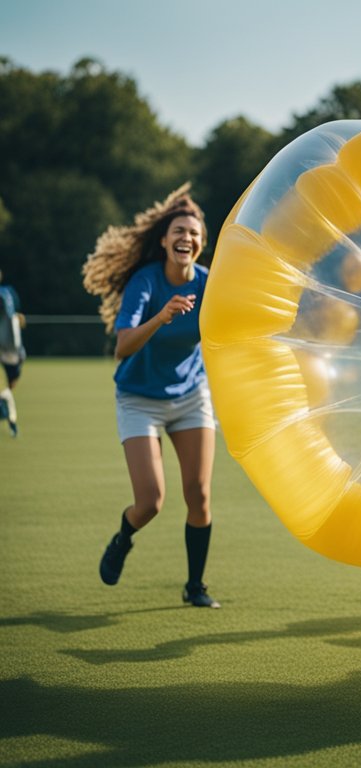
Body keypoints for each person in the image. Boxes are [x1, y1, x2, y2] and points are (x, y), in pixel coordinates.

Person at [82, 185, 220, 608]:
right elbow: (122, 346)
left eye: (194, 233)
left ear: (201, 243)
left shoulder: (210, 283)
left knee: (198, 495)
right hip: (139, 398)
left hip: (191, 396)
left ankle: (194, 587)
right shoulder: (145, 282)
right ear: (164, 240)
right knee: (151, 502)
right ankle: (123, 538)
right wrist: (161, 316)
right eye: (179, 231)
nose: (187, 238)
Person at [0, 268, 25, 437]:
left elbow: (16, 317)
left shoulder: (6, 293)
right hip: (12, 349)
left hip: (9, 348)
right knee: (6, 387)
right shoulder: (9, 292)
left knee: (7, 387)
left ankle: (7, 413)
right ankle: (11, 419)